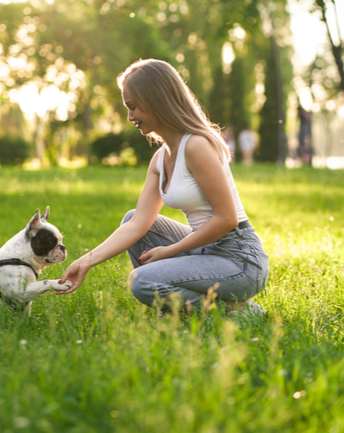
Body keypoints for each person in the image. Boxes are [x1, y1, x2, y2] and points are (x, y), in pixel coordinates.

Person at [57, 59, 269, 318]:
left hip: (240, 260)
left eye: (133, 107)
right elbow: (137, 227)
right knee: (132, 218)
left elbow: (226, 219)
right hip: (205, 248)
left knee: (142, 281)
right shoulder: (160, 158)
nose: (129, 117)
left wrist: (168, 252)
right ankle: (174, 307)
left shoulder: (196, 146)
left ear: (157, 100)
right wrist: (84, 262)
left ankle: (237, 310)